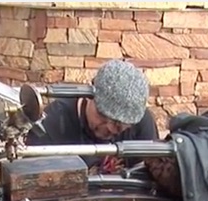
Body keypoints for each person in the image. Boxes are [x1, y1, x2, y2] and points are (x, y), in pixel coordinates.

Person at [26, 59, 159, 173]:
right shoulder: (52, 123)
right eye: (102, 115)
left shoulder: (141, 123)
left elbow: (152, 176)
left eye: (119, 124)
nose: (110, 128)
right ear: (89, 95)